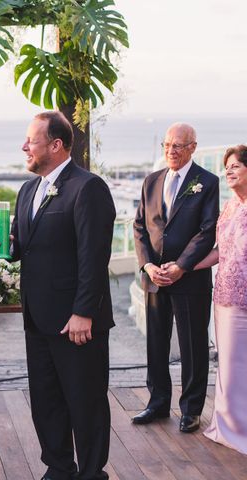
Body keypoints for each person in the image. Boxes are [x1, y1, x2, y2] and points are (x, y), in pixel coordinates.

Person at [0, 111, 116, 480]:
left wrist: (83, 312)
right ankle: (59, 468)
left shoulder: (88, 187)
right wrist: (8, 245)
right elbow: (25, 246)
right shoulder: (28, 189)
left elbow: (94, 257)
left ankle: (92, 472)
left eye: (31, 140)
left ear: (56, 145)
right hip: (37, 316)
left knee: (85, 401)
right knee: (46, 401)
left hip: (76, 320)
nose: (24, 146)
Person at [132, 123, 219, 433]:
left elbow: (208, 230)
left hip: (189, 279)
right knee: (156, 343)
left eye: (178, 146)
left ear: (193, 147)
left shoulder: (207, 182)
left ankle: (191, 409)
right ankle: (157, 403)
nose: (170, 150)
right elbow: (140, 226)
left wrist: (182, 265)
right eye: (167, 145)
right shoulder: (151, 181)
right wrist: (147, 266)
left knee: (193, 346)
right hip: (154, 277)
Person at [195, 145, 247, 454]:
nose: (228, 171)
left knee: (240, 365)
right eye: (226, 166)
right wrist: (185, 267)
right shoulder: (229, 207)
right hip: (224, 296)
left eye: (236, 166)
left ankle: (239, 428)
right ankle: (227, 425)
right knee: (226, 364)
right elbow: (220, 251)